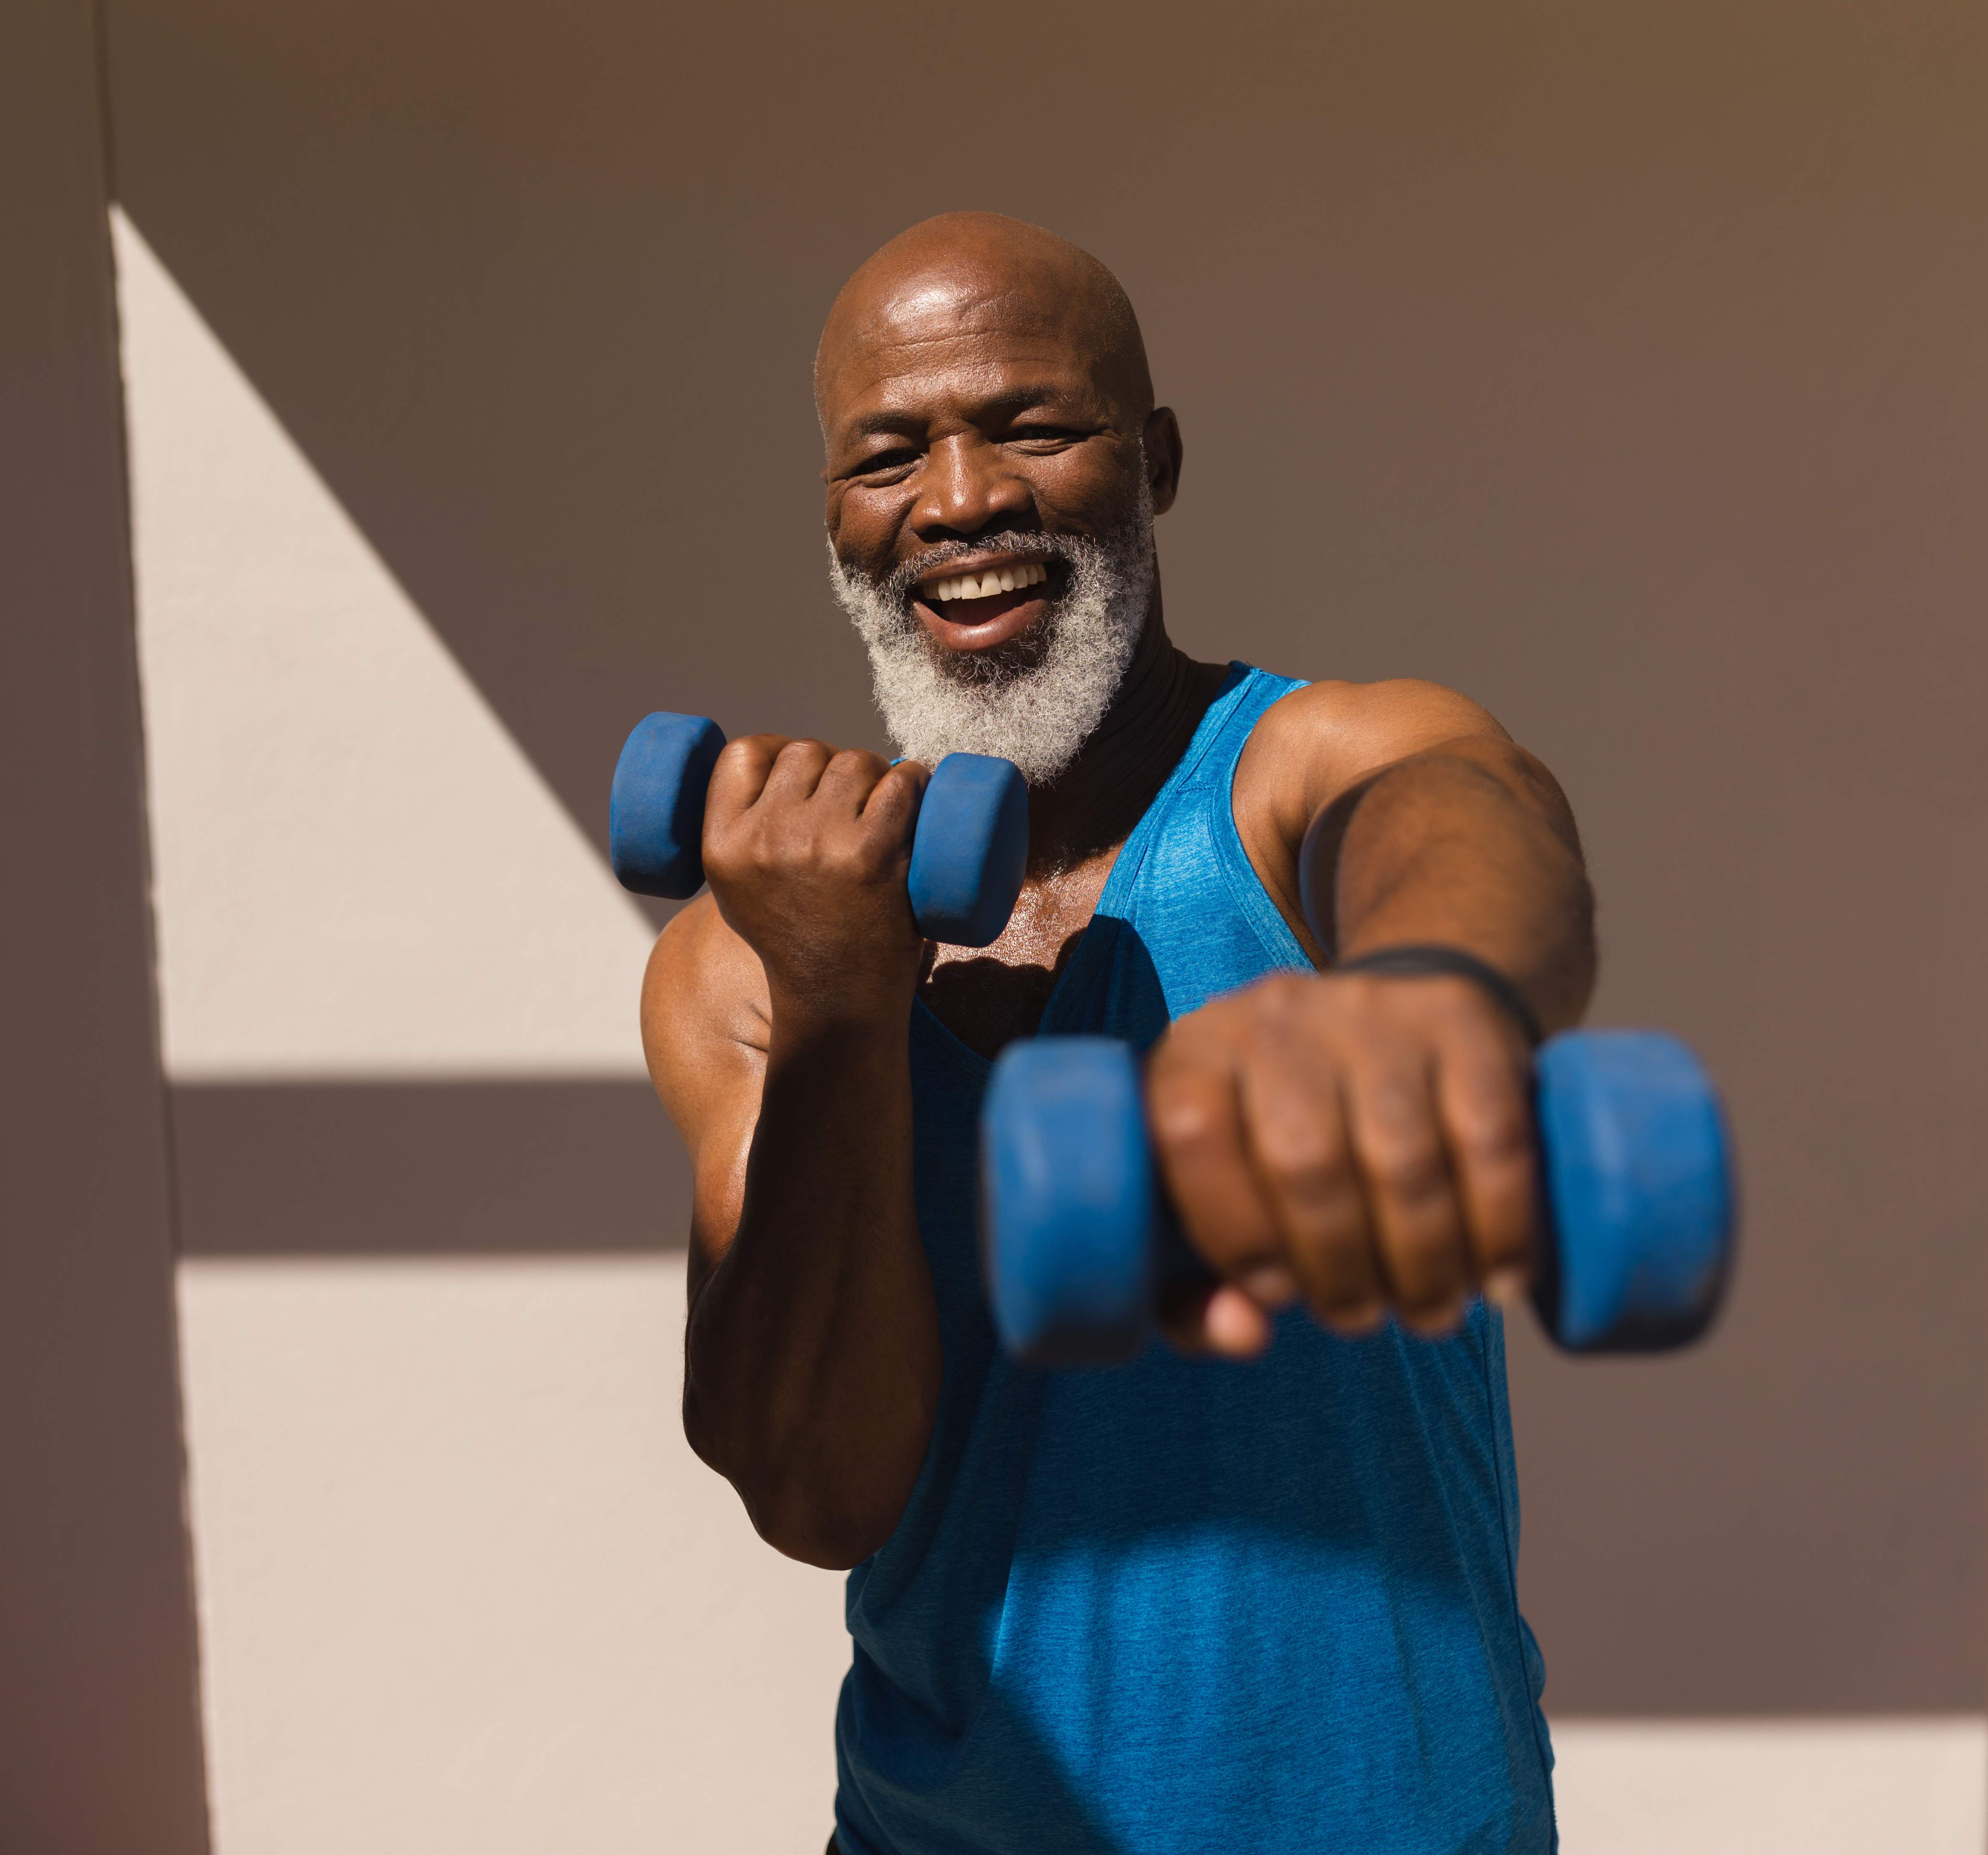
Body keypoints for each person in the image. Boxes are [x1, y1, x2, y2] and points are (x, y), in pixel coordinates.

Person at [640, 211, 1590, 1854]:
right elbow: (815, 1489)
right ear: (837, 519)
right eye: (890, 456)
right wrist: (849, 1015)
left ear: (1151, 459)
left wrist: (1430, 1001)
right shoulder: (746, 963)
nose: (960, 501)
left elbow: (1465, 817)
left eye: (1033, 424)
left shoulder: (1298, 772)